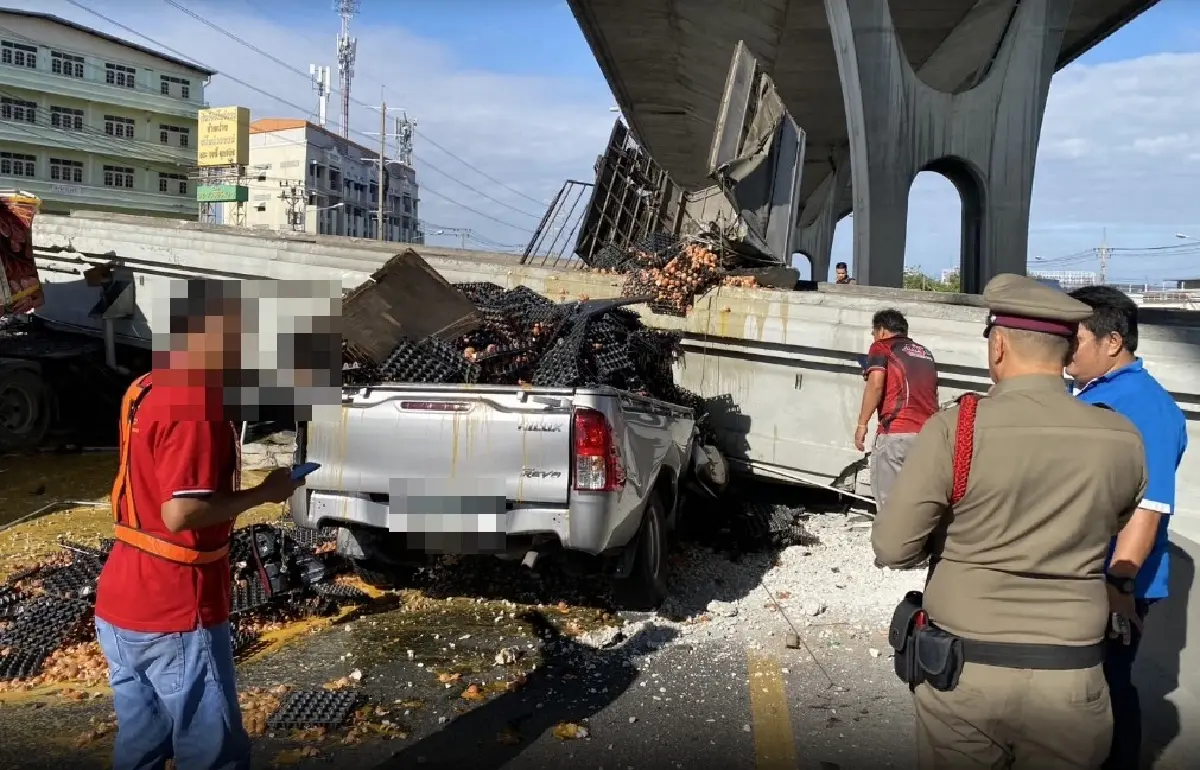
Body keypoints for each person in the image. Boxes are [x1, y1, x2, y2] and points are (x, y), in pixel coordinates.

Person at [873, 273, 1149, 770]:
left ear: (998, 346)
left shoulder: (957, 428)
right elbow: (1116, 519)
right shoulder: (1121, 436)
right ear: (1066, 353)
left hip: (965, 673)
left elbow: (893, 548)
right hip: (1075, 676)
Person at [94, 281, 304, 770]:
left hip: (123, 602)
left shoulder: (147, 387)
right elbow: (181, 513)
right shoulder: (198, 407)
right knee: (213, 753)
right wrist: (263, 494)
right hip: (175, 610)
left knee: (142, 745)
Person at [1066, 285, 1187, 770]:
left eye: (1071, 340)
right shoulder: (1089, 391)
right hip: (1085, 570)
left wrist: (1120, 582)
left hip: (1117, 578)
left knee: (1108, 686)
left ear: (1112, 342)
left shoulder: (1145, 405)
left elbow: (1150, 505)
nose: (1062, 351)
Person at [855, 308, 939, 509]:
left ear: (882, 331)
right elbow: (934, 394)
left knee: (889, 504)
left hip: (895, 434)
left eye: (874, 332)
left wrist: (861, 424)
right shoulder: (926, 353)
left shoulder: (882, 347)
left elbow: (875, 385)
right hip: (927, 436)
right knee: (917, 502)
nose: (874, 337)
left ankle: (891, 539)